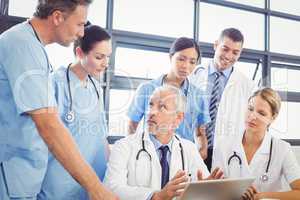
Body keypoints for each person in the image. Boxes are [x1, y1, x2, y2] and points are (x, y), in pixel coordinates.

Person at [0, 1, 118, 200]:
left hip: (24, 179)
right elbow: (49, 125)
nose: (82, 33)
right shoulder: (22, 45)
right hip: (13, 175)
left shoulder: (34, 48)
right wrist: (95, 187)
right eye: (80, 24)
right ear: (57, 17)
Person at [104, 85, 223, 200]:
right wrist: (156, 196)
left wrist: (203, 189)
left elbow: (203, 184)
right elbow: (112, 188)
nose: (152, 112)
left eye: (162, 107)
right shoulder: (124, 147)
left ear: (178, 118)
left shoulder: (189, 149)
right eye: (151, 105)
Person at [37, 25, 112, 200]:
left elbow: (102, 136)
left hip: (94, 178)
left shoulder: (95, 87)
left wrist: (111, 170)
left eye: (108, 57)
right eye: (99, 57)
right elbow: (46, 135)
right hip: (60, 181)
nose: (105, 64)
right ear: (79, 53)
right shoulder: (55, 83)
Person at [127, 37, 210, 159]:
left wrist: (202, 150)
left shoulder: (199, 95)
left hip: (183, 158)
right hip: (150, 155)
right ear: (171, 57)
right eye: (181, 59)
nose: (186, 66)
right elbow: (132, 126)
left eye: (192, 62)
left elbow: (200, 132)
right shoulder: (146, 89)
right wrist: (132, 153)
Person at [212, 88, 300, 199]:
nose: (252, 116)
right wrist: (235, 191)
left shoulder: (282, 149)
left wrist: (261, 196)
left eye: (261, 113)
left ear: (272, 118)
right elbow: (213, 188)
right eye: (250, 109)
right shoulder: (224, 146)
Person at [190, 28, 256, 171]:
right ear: (215, 45)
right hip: (193, 149)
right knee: (192, 192)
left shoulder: (247, 85)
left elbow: (250, 122)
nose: (228, 56)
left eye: (235, 52)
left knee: (222, 192)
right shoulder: (193, 76)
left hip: (225, 152)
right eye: (225, 49)